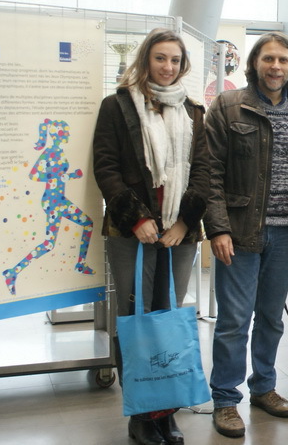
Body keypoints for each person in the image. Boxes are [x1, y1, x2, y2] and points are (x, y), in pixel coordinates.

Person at [204, 32, 288, 438]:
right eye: (268, 59)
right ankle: (226, 399)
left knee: (271, 319)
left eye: (283, 60)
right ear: (255, 63)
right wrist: (218, 227)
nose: (276, 66)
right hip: (241, 233)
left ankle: (263, 387)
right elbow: (210, 173)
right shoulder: (228, 106)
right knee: (234, 321)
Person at [93, 28, 210, 445]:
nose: (168, 67)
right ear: (146, 60)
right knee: (135, 319)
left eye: (175, 60)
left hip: (179, 232)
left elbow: (205, 171)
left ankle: (167, 411)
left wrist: (183, 223)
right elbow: (106, 167)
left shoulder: (194, 111)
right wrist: (136, 218)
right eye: (160, 58)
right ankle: (142, 413)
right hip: (131, 232)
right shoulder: (117, 105)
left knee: (169, 318)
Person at [4, 118, 94, 295]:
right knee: (48, 244)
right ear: (58, 134)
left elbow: (58, 176)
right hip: (53, 202)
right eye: (65, 132)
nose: (68, 134)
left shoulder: (59, 152)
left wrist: (70, 176)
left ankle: (80, 263)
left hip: (59, 200)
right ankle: (12, 272)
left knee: (87, 224)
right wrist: (59, 177)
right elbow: (34, 175)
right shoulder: (50, 152)